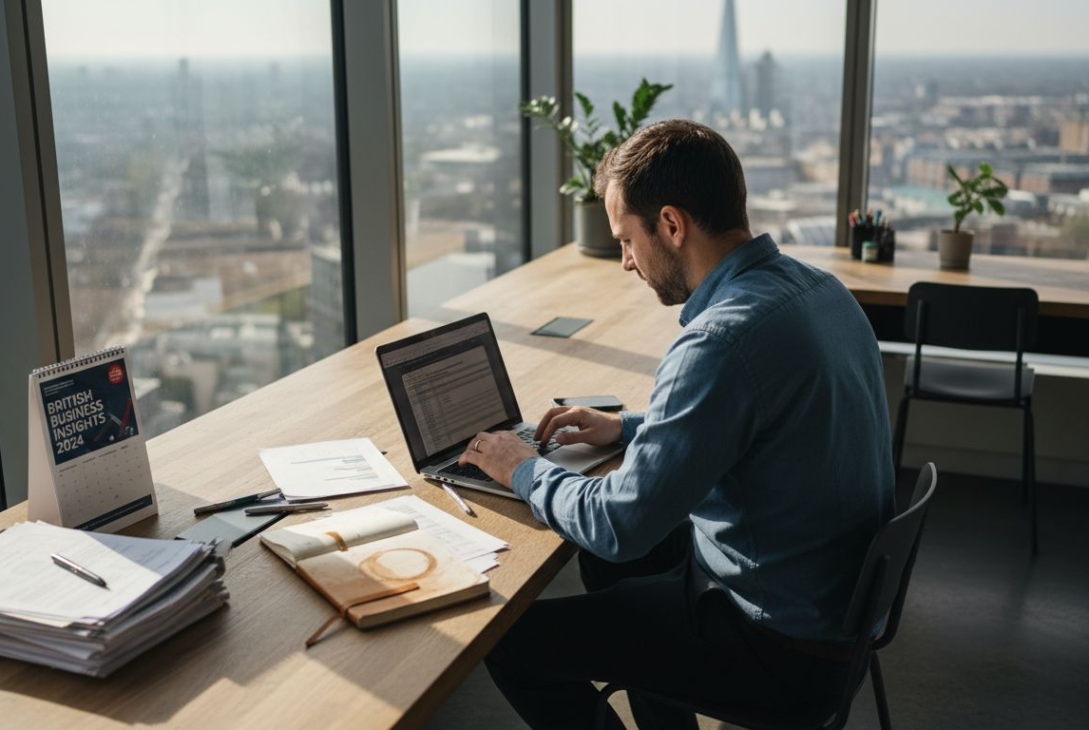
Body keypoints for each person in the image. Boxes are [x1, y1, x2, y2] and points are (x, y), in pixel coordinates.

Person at [457, 119, 895, 730]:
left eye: (626, 240)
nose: (626, 263)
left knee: (508, 641)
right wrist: (627, 428)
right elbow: (759, 417)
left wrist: (521, 468)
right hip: (831, 607)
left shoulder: (718, 340)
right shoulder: (820, 290)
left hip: (777, 647)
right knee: (608, 568)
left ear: (671, 224)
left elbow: (617, 523)